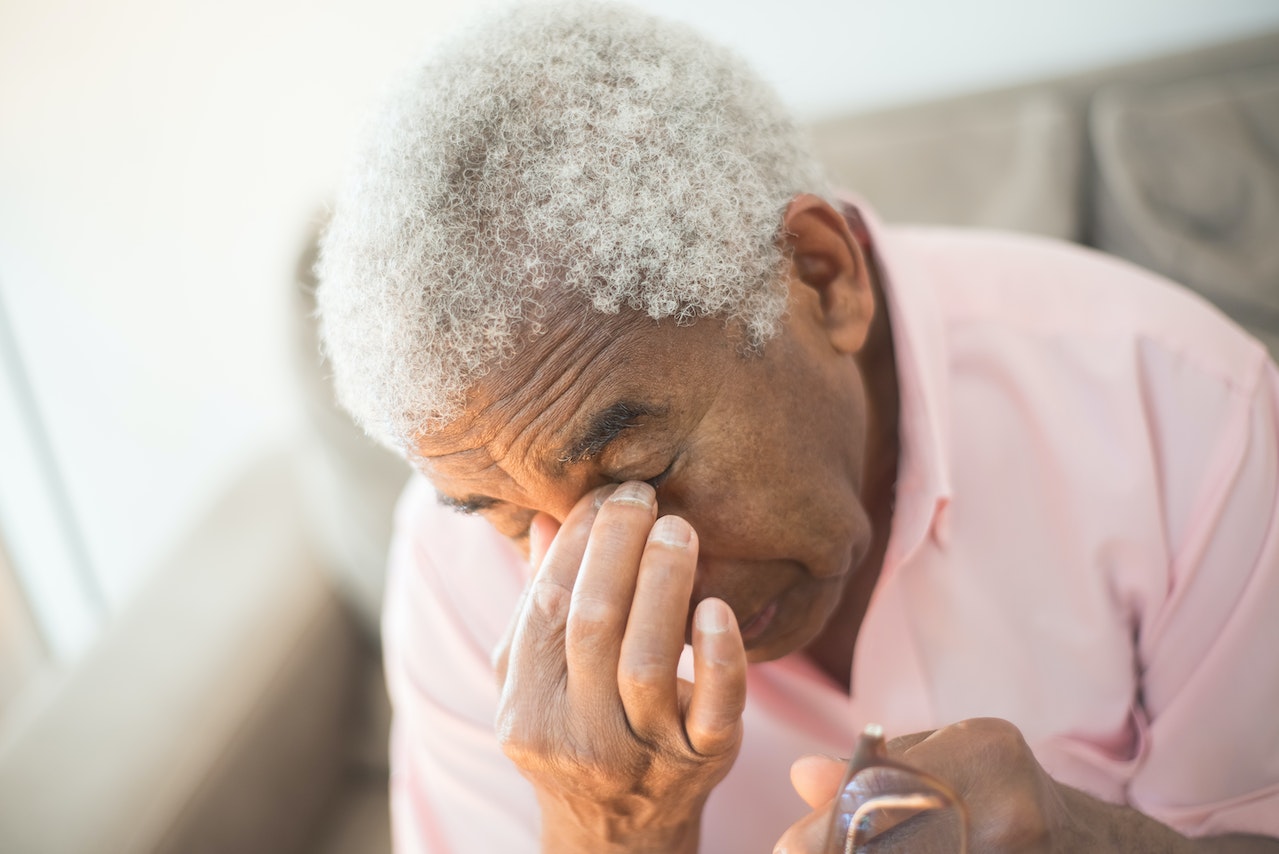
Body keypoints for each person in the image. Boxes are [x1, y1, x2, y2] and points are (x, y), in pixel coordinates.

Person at [315, 3, 1279, 851]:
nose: (608, 592)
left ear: (822, 276)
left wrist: (1091, 845)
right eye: (502, 511)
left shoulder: (1184, 411)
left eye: (640, 470)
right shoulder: (455, 570)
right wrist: (612, 834)